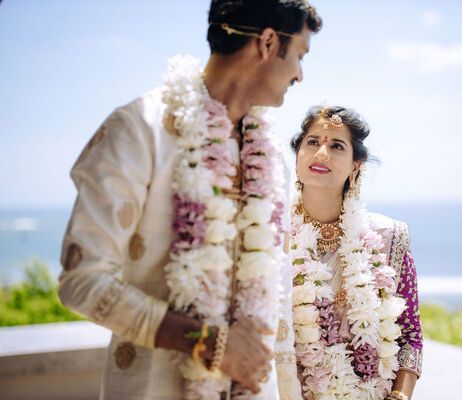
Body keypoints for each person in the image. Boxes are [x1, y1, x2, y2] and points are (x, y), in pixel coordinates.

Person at [58, 1, 322, 399]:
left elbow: (276, 308)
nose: (300, 74)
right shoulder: (139, 129)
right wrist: (208, 343)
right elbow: (82, 282)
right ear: (268, 43)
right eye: (300, 54)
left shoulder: (273, 162)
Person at [285, 106, 423, 399]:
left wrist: (400, 396)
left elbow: (410, 335)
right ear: (297, 156)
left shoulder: (389, 238)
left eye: (336, 145)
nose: (322, 153)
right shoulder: (272, 237)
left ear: (355, 165)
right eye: (312, 142)